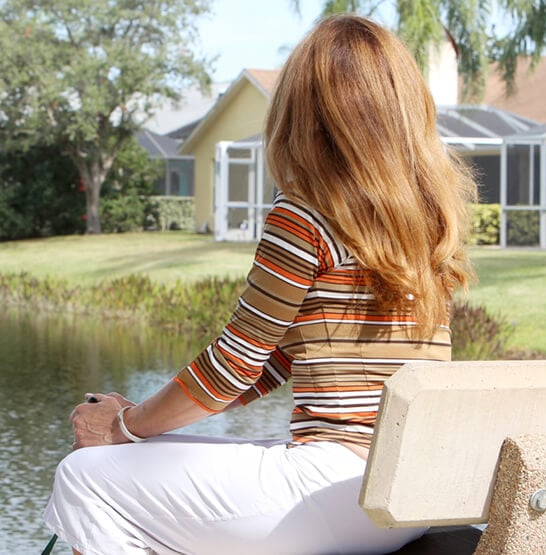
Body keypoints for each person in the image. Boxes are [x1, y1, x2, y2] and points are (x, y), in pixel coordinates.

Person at [43, 13, 477, 555]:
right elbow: (274, 363)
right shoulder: (429, 221)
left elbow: (231, 366)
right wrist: (146, 424)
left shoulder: (306, 213)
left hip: (339, 488)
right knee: (136, 464)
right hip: (405, 497)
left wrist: (123, 429)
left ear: (305, 112)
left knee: (86, 476)